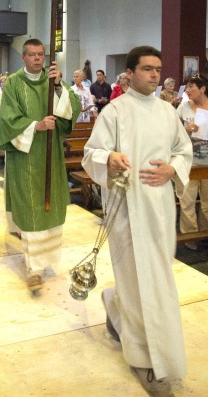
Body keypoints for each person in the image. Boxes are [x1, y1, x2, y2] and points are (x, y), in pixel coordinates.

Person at [82, 45, 193, 394]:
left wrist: (172, 169)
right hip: (126, 209)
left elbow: (183, 149)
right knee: (135, 281)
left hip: (159, 209)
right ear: (130, 73)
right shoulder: (115, 111)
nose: (155, 75)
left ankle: (114, 305)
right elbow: (91, 154)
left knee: (158, 282)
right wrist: (110, 157)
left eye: (158, 69)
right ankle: (145, 361)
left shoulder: (166, 111)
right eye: (147, 69)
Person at [0, 39, 80, 292]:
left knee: (50, 207)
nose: (36, 59)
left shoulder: (52, 80)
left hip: (51, 156)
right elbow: (8, 120)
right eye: (31, 55)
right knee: (32, 209)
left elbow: (72, 108)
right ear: (23, 58)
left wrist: (57, 89)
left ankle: (48, 260)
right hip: (26, 156)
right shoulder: (13, 83)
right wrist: (37, 126)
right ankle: (34, 269)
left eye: (40, 55)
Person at [175, 74, 208, 249]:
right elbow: (173, 133)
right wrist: (186, 129)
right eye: (187, 87)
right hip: (189, 161)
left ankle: (206, 233)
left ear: (203, 89)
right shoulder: (183, 108)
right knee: (187, 200)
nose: (187, 91)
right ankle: (190, 236)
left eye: (191, 87)